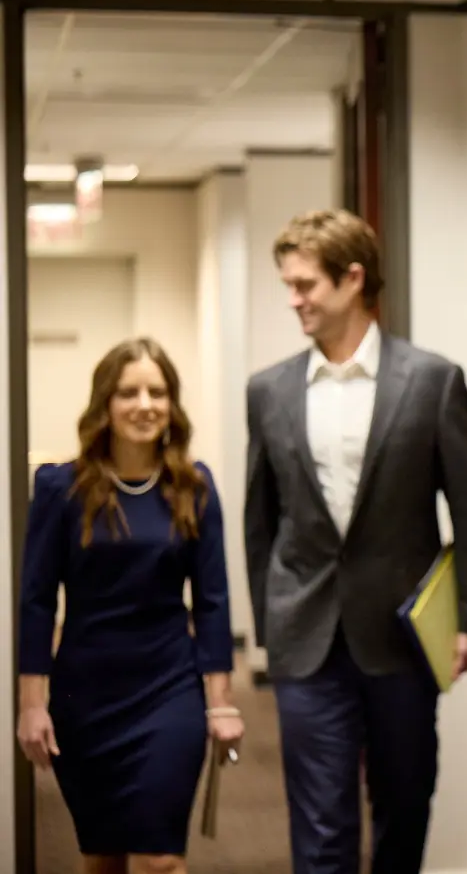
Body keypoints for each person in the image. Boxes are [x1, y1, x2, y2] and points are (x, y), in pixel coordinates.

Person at [245, 208, 467, 874]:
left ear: (353, 278)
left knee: (404, 806)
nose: (294, 300)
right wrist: (269, 619)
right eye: (289, 286)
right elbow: (259, 517)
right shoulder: (268, 390)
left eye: (305, 285)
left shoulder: (433, 381)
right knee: (321, 825)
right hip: (306, 633)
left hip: (403, 637)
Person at [15, 337, 242, 874]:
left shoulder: (194, 486)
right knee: (102, 856)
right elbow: (37, 601)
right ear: (105, 405)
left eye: (158, 392)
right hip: (84, 694)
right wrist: (31, 703)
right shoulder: (59, 487)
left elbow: (212, 602)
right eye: (128, 392)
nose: (145, 404)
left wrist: (222, 701)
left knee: (161, 857)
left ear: (173, 404)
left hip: (168, 688)